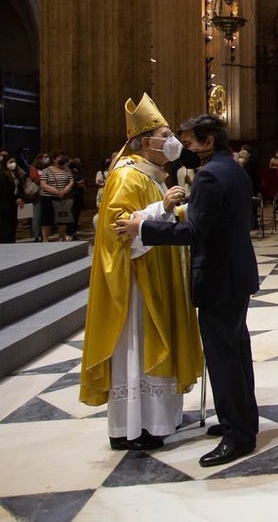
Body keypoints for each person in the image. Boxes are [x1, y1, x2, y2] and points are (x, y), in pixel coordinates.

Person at [117, 113, 260, 467]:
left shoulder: (210, 174)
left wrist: (142, 228)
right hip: (235, 274)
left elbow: (195, 232)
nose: (184, 148)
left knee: (223, 359)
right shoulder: (231, 167)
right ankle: (244, 420)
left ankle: (237, 436)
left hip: (219, 279)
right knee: (237, 352)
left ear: (208, 141)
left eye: (189, 142)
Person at [78, 94, 203, 453]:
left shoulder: (153, 174)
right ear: (146, 142)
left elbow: (158, 216)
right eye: (165, 135)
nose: (172, 140)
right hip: (137, 283)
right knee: (139, 345)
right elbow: (117, 229)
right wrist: (161, 208)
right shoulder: (126, 176)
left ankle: (162, 418)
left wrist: (176, 211)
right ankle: (133, 426)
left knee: (160, 339)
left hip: (159, 272)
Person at [39, 152, 74, 242]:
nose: (63, 159)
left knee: (63, 218)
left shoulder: (67, 170)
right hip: (48, 197)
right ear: (54, 159)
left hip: (62, 197)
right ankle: (45, 239)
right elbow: (43, 184)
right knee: (47, 219)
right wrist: (56, 191)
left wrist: (64, 191)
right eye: (60, 157)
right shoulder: (46, 170)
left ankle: (61, 237)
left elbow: (71, 181)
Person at [0, 156, 25, 244]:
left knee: (13, 226)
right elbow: (4, 191)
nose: (13, 164)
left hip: (13, 205)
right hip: (5, 205)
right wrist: (15, 199)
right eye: (10, 162)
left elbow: (19, 188)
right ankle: (5, 244)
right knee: (5, 227)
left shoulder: (15, 175)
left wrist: (20, 197)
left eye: (14, 162)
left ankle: (12, 243)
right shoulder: (2, 175)